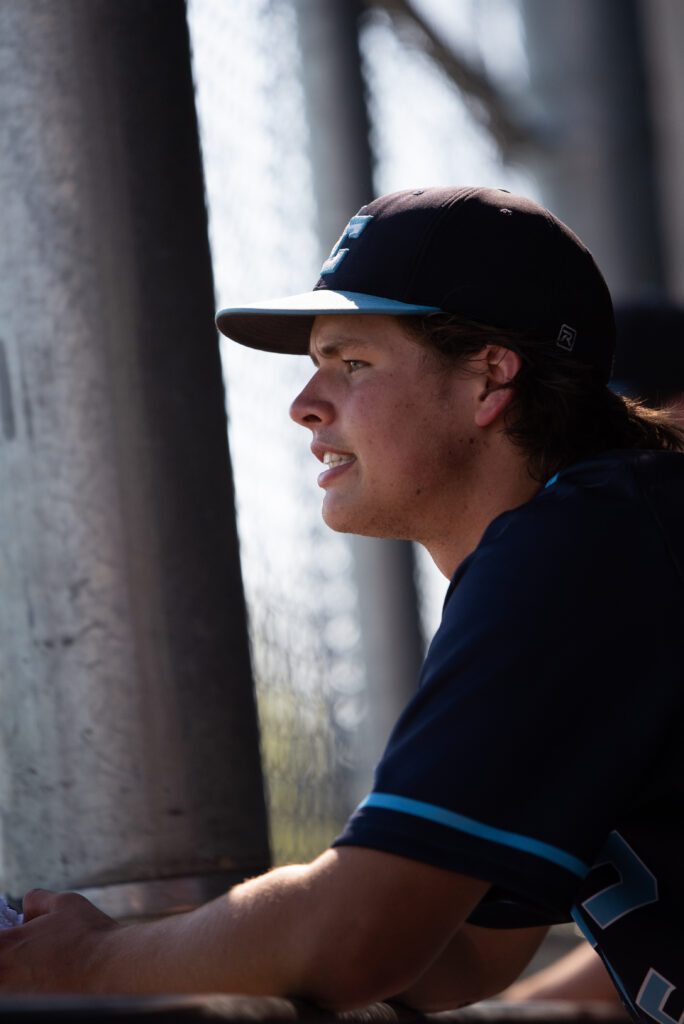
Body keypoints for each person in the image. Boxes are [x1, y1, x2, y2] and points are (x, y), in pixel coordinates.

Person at [0, 187, 682, 1022]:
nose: (304, 405)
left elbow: (358, 938)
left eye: (352, 362)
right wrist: (129, 950)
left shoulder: (582, 545)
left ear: (490, 376)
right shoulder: (604, 535)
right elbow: (457, 948)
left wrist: (88, 965)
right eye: (314, 364)